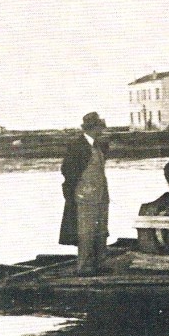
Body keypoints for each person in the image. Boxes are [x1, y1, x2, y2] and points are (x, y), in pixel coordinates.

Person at [59, 112, 110, 276]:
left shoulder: (98, 145)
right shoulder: (77, 146)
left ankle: (99, 263)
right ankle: (84, 267)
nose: (101, 131)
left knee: (101, 230)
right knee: (86, 232)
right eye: (99, 128)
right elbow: (67, 171)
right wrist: (77, 192)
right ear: (91, 129)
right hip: (85, 197)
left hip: (102, 196)